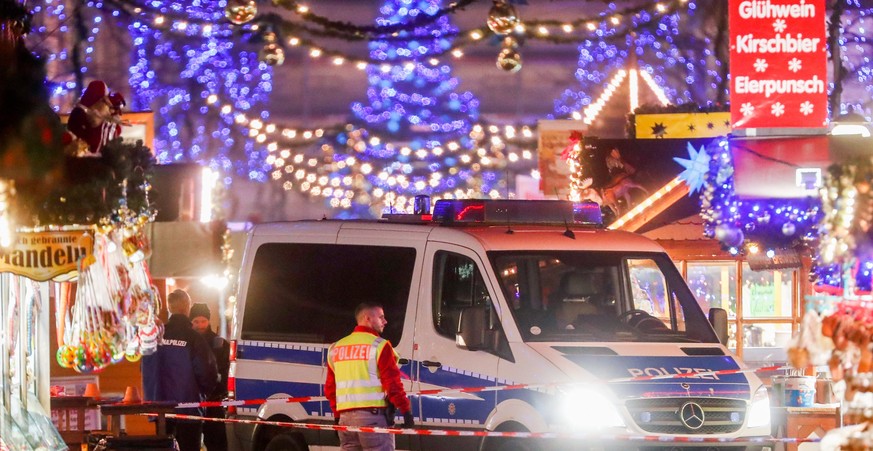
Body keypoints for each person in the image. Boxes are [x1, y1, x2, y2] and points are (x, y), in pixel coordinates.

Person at [325, 302, 414, 451]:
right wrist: (405, 410)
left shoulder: (336, 348)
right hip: (373, 419)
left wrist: (336, 415)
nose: (385, 321)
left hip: (345, 420)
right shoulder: (379, 345)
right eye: (381, 317)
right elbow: (392, 384)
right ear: (368, 318)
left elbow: (330, 388)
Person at [142, 289, 218, 451]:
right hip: (189, 408)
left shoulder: (154, 338)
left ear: (169, 308)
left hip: (159, 409)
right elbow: (207, 373)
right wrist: (204, 394)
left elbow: (144, 368)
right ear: (187, 308)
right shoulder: (194, 339)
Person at [190, 303, 230, 451]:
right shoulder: (188, 343)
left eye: (203, 321)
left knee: (217, 442)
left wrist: (218, 388)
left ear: (209, 321)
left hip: (214, 401)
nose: (200, 325)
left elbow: (226, 371)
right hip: (192, 401)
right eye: (196, 321)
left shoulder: (219, 344)